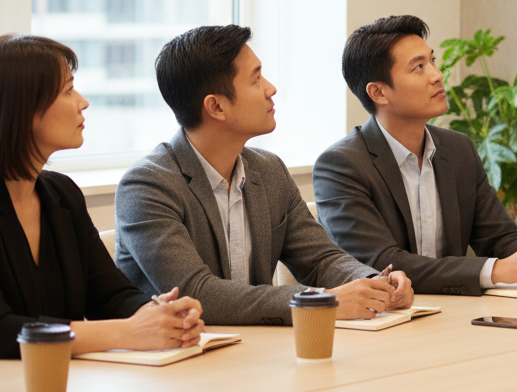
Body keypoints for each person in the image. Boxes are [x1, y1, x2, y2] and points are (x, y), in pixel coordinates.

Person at [115, 25, 412, 326]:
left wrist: (376, 283)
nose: (271, 89)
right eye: (256, 79)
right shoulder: (147, 185)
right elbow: (196, 293)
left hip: (256, 350)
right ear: (216, 106)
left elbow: (321, 260)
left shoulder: (269, 171)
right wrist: (323, 302)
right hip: (176, 360)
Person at [314, 15, 517, 296]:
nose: (437, 75)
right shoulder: (341, 165)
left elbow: (499, 237)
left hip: (457, 313)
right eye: (418, 67)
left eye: (432, 61)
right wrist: (494, 270)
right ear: (379, 92)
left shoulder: (459, 149)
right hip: (382, 322)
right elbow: (381, 263)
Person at [0, 34, 204, 359]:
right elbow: (4, 330)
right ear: (22, 107)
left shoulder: (62, 195)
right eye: (67, 90)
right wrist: (126, 332)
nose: (83, 102)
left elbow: (109, 295)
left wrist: (159, 314)